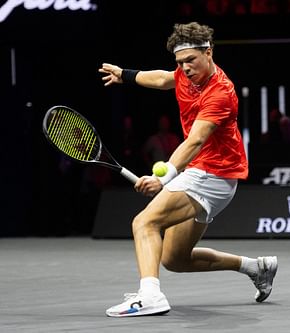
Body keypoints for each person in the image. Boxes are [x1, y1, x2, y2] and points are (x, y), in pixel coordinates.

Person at [99, 22, 278, 317]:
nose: (185, 68)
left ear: (209, 52)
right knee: (175, 259)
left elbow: (195, 141)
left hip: (213, 175)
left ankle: (150, 296)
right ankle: (255, 267)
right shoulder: (183, 73)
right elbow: (162, 79)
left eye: (191, 60)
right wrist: (126, 76)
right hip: (203, 173)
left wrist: (163, 177)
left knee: (145, 224)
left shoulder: (221, 92)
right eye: (180, 62)